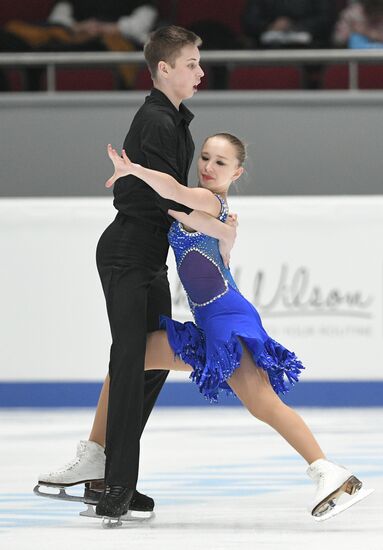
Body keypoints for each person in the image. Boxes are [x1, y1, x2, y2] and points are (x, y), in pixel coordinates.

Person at [39, 133, 372, 525]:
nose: (209, 167)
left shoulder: (211, 201)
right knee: (128, 359)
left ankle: (328, 472)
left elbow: (173, 189)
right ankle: (96, 452)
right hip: (209, 321)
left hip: (229, 321)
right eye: (206, 158)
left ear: (237, 172)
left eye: (220, 163)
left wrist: (133, 170)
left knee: (262, 402)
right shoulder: (208, 209)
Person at [36, 25, 238, 522]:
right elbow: (168, 194)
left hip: (148, 255)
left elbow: (170, 193)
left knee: (148, 365)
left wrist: (211, 215)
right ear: (164, 68)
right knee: (130, 362)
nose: (200, 71)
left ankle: (110, 472)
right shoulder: (156, 121)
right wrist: (216, 215)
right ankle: (115, 484)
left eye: (198, 62)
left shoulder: (172, 121)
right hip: (127, 251)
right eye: (191, 63)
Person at [0, 0, 159, 91]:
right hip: (73, 39)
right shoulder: (71, 4)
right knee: (31, 43)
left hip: (114, 42)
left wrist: (108, 28)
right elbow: (58, 18)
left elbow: (142, 22)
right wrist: (79, 27)